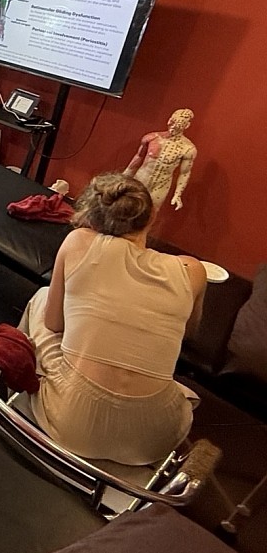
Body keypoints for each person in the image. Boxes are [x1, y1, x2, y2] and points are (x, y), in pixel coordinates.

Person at [19, 173, 207, 466]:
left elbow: (54, 324)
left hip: (74, 425)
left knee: (43, 298)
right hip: (156, 435)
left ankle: (16, 388)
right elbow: (188, 333)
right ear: (151, 216)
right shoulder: (192, 270)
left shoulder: (78, 241)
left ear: (90, 220)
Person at [123, 108, 197, 211]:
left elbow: (184, 173)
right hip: (141, 180)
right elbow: (139, 157)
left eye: (179, 125)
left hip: (160, 186)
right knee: (128, 207)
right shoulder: (152, 138)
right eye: (172, 122)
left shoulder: (188, 148)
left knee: (151, 212)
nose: (173, 127)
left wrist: (177, 194)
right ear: (169, 120)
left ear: (186, 126)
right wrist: (124, 177)